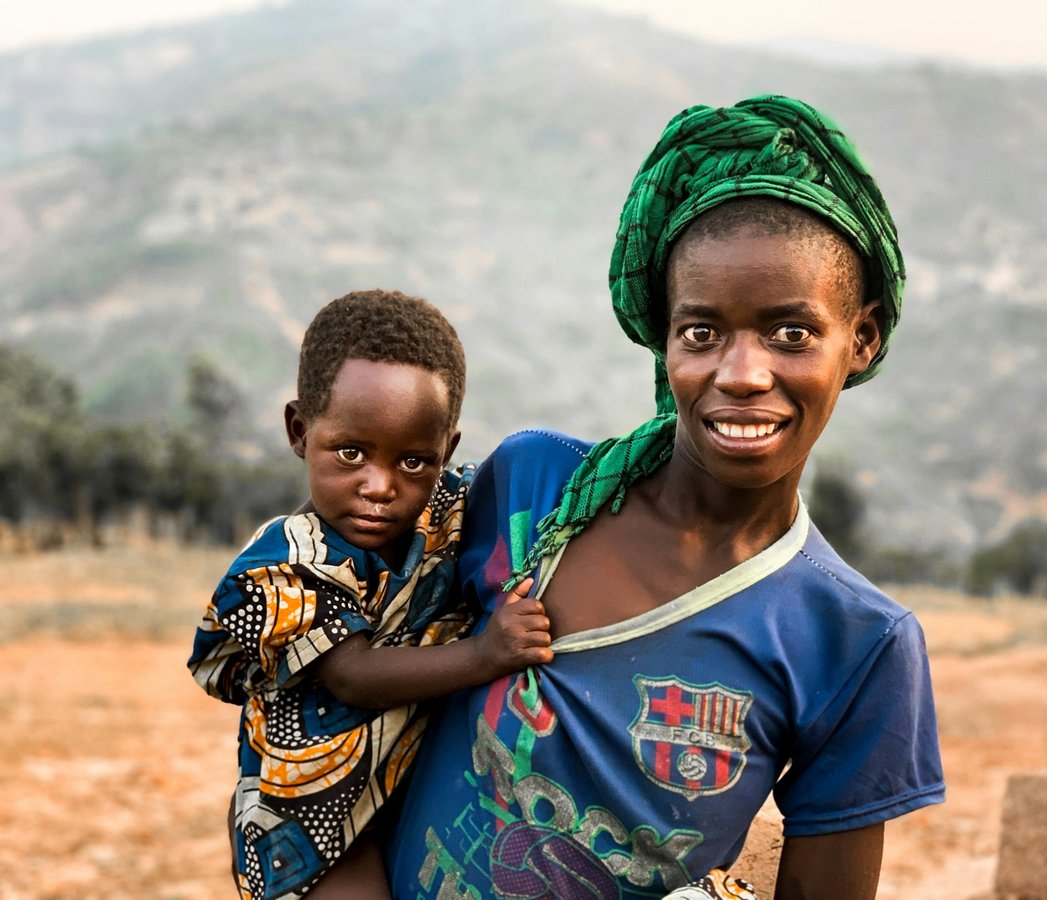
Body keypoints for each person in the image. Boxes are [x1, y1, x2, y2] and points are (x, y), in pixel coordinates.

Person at [383, 95, 945, 899]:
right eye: (702, 333)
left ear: (862, 338)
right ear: (664, 338)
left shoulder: (855, 643)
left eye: (792, 333)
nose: (741, 374)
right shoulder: (533, 491)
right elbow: (354, 652)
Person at [187, 290, 553, 900]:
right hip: (311, 828)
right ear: (300, 431)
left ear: (447, 453)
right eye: (351, 454)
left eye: (414, 461)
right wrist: (488, 655)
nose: (380, 487)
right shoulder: (280, 569)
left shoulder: (445, 512)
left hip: (412, 785)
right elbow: (352, 675)